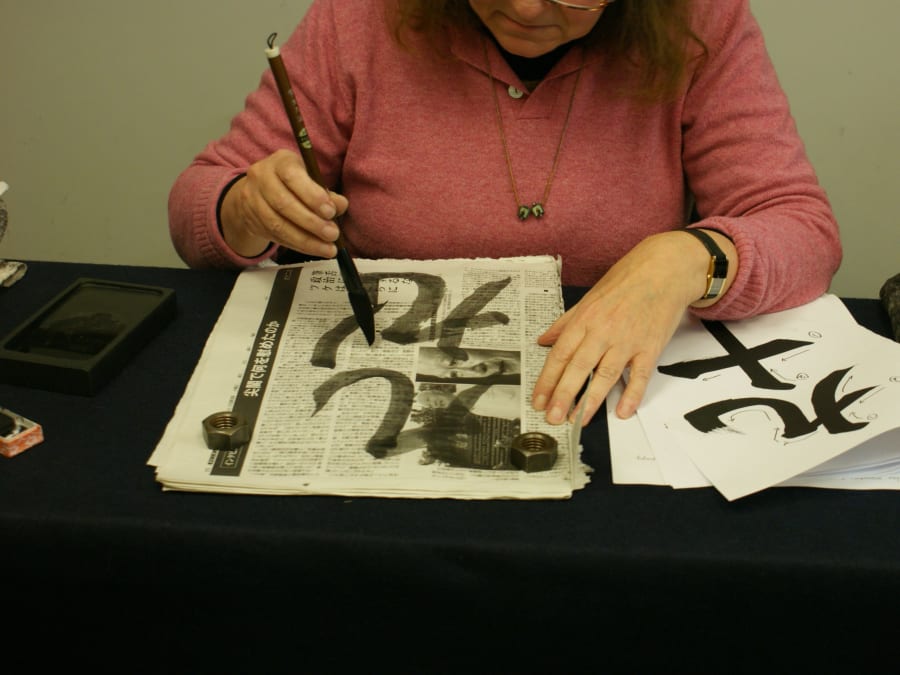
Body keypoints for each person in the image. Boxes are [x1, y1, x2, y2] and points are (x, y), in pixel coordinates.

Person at [169, 0, 842, 429]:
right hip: (385, 385)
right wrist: (246, 207)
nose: (524, 7)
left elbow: (802, 227)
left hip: (611, 411)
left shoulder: (700, 19)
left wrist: (692, 257)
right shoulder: (360, 17)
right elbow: (197, 204)